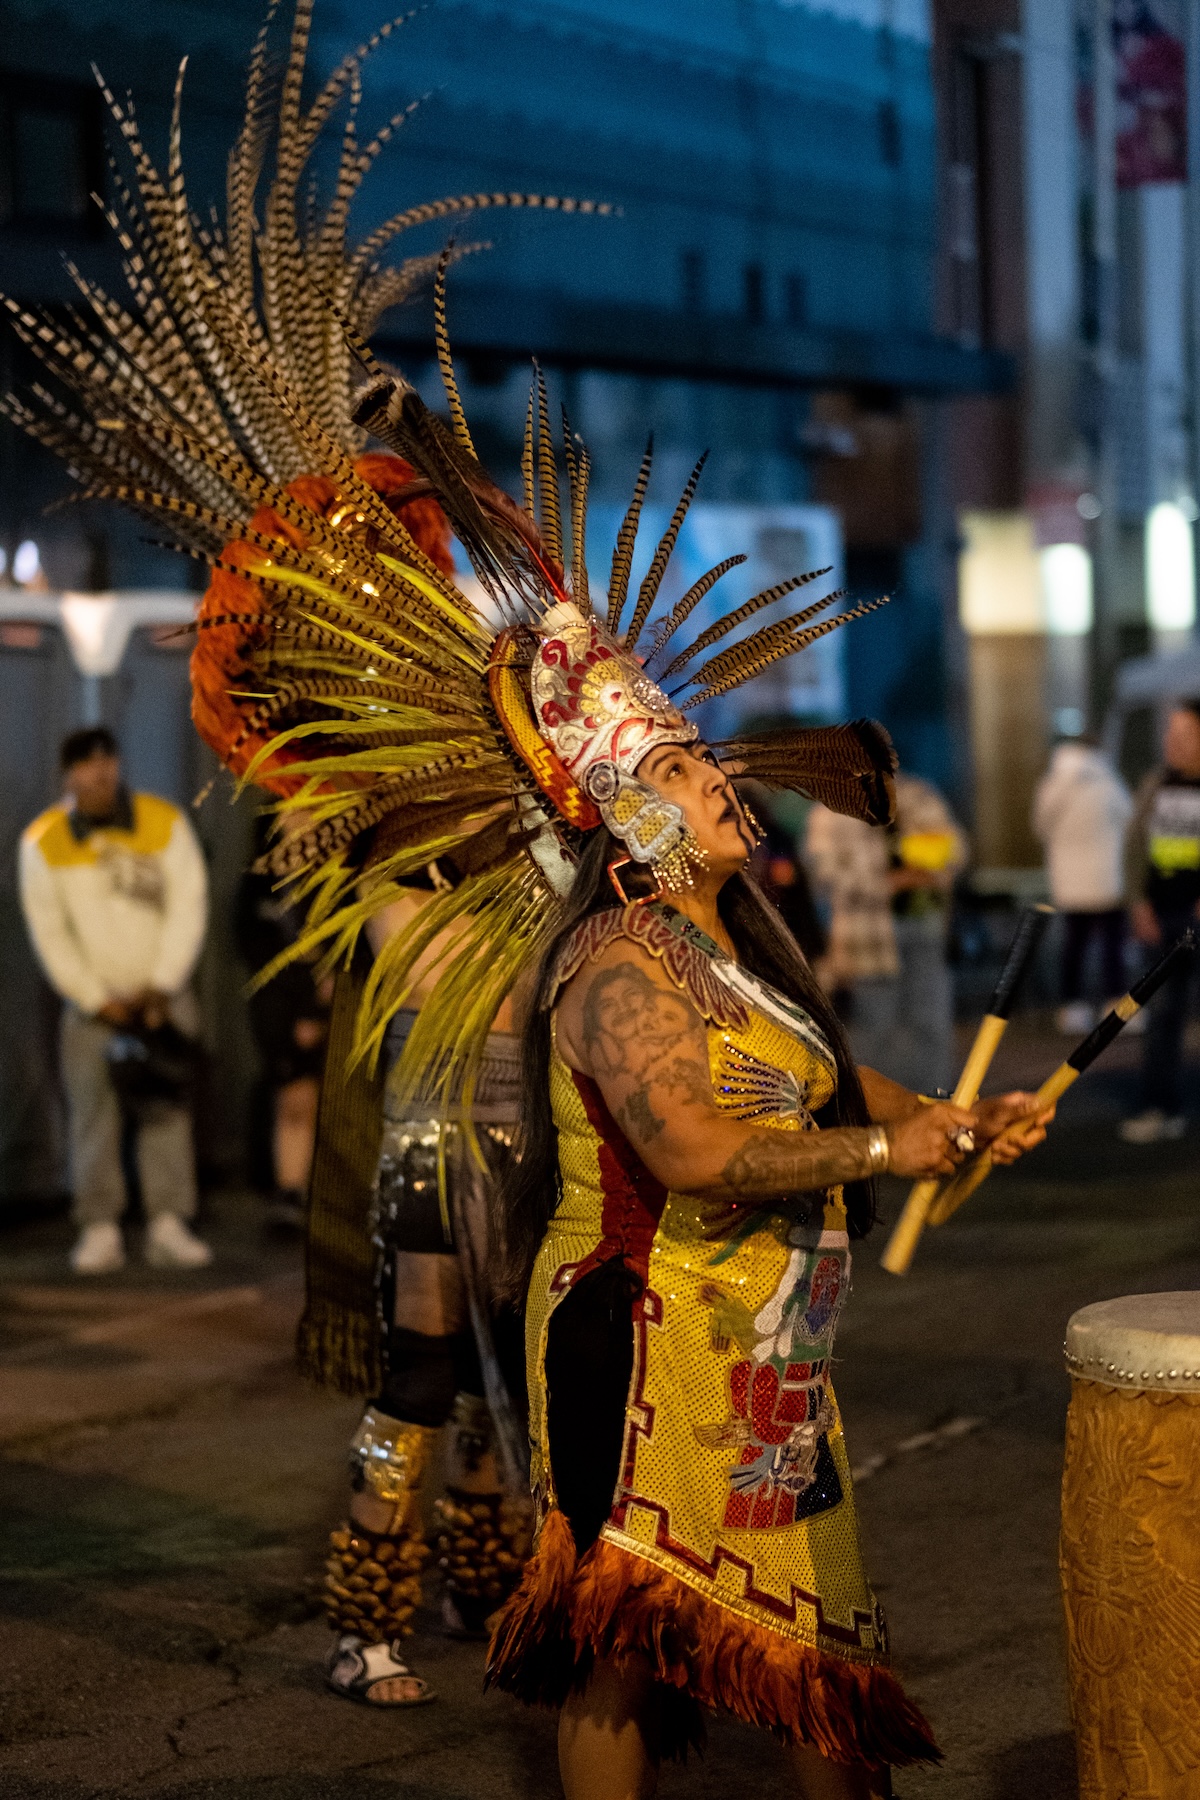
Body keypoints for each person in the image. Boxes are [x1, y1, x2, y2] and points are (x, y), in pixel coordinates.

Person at [18, 726, 211, 1274]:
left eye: (108, 761)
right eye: (86, 763)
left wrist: (162, 984)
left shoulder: (164, 822)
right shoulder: (44, 841)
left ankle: (168, 1223)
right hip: (93, 1008)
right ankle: (99, 1226)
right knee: (93, 1116)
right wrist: (94, 997)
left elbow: (189, 906)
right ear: (69, 774)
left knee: (166, 1108)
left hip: (162, 1000)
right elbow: (50, 933)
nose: (100, 773)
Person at [806, 771, 966, 1094]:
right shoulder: (832, 810)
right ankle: (879, 1107)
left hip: (924, 926)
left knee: (930, 1023)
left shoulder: (917, 794)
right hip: (866, 937)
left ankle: (935, 1100)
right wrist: (888, 883)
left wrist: (931, 865)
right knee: (872, 1028)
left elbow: (957, 849)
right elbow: (825, 872)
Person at [235, 819, 332, 1227]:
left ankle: (313, 1189)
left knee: (314, 1097)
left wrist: (320, 1001)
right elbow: (250, 944)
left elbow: (344, 946)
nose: (298, 822)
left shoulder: (331, 879)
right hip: (279, 1006)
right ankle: (289, 1187)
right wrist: (295, 1010)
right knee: (292, 1094)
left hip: (324, 1000)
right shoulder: (259, 883)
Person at [1120, 700, 1200, 1143]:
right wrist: (1138, 903)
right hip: (1163, 918)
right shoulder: (1156, 784)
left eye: (1185, 734)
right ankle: (1161, 1105)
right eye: (1170, 734)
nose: (1173, 742)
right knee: (1162, 1016)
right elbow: (1134, 847)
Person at [1033, 737, 1132, 1035]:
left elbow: (1040, 826)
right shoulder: (1108, 781)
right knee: (1112, 948)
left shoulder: (1051, 784)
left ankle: (1072, 1009)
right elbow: (1129, 820)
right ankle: (1118, 1008)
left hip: (1069, 883)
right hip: (1108, 879)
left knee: (1074, 947)